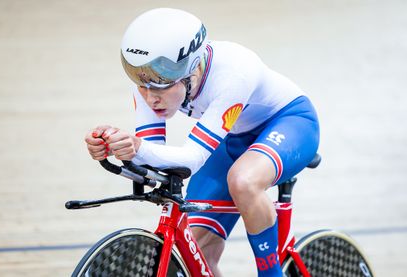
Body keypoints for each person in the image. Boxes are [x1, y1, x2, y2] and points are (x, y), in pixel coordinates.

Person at [85, 8, 319, 277]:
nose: (151, 98)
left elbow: (192, 158)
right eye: (142, 86)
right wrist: (116, 148)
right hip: (232, 137)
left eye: (162, 85)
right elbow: (151, 157)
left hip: (290, 122)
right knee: (195, 252)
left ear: (192, 69)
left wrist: (136, 147)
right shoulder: (148, 78)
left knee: (243, 181)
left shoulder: (233, 74)